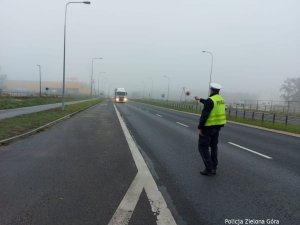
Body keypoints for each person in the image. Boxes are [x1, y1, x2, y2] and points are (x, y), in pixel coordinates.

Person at [194, 83, 226, 176]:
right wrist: (200, 99)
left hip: (208, 128)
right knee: (214, 147)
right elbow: (211, 104)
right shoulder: (221, 100)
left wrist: (200, 127)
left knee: (203, 147)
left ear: (211, 90)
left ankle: (209, 168)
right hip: (217, 127)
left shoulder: (210, 100)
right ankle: (214, 167)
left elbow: (204, 115)